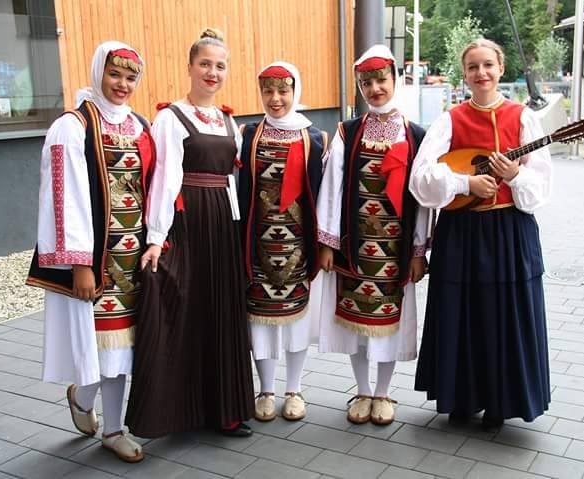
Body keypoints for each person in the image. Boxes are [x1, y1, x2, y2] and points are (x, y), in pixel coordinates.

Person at [408, 38, 552, 429]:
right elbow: (421, 178)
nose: (481, 73)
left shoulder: (523, 118)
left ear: (501, 68)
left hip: (510, 231)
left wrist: (515, 174)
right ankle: (460, 398)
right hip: (462, 230)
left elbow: (541, 186)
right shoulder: (450, 120)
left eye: (488, 64)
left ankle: (500, 403)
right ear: (465, 74)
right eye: (473, 67)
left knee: (505, 315)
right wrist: (464, 184)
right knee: (460, 313)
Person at [124, 28, 255, 438]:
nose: (212, 73)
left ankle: (225, 410)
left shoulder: (229, 120)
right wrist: (155, 238)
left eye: (220, 66)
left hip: (222, 224)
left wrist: (237, 228)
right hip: (188, 221)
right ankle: (180, 410)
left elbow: (231, 179)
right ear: (190, 68)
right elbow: (164, 180)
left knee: (222, 311)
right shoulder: (171, 117)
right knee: (185, 307)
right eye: (205, 64)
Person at [26, 41, 152, 462]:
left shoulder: (139, 125)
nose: (122, 84)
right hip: (97, 260)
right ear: (98, 71)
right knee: (101, 346)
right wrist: (79, 263)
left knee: (123, 346)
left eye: (130, 77)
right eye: (114, 74)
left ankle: (109, 425)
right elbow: (64, 198)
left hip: (133, 258)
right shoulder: (73, 126)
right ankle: (90, 405)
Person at [315, 45, 432, 426]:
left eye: (381, 80)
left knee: (388, 325)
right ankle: (363, 390)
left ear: (395, 80)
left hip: (395, 250)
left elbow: (422, 200)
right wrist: (327, 242)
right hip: (355, 246)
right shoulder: (348, 133)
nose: (375, 89)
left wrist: (418, 251)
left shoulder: (416, 136)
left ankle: (383, 392)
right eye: (366, 83)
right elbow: (332, 188)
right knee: (355, 324)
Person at [237, 62, 327, 422]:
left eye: (283, 91)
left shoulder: (314, 139)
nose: (275, 98)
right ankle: (265, 388)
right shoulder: (247, 135)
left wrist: (324, 244)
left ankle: (294, 388)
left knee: (296, 320)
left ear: (295, 91)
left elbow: (322, 194)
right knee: (260, 321)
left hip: (297, 245)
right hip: (256, 243)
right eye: (268, 91)